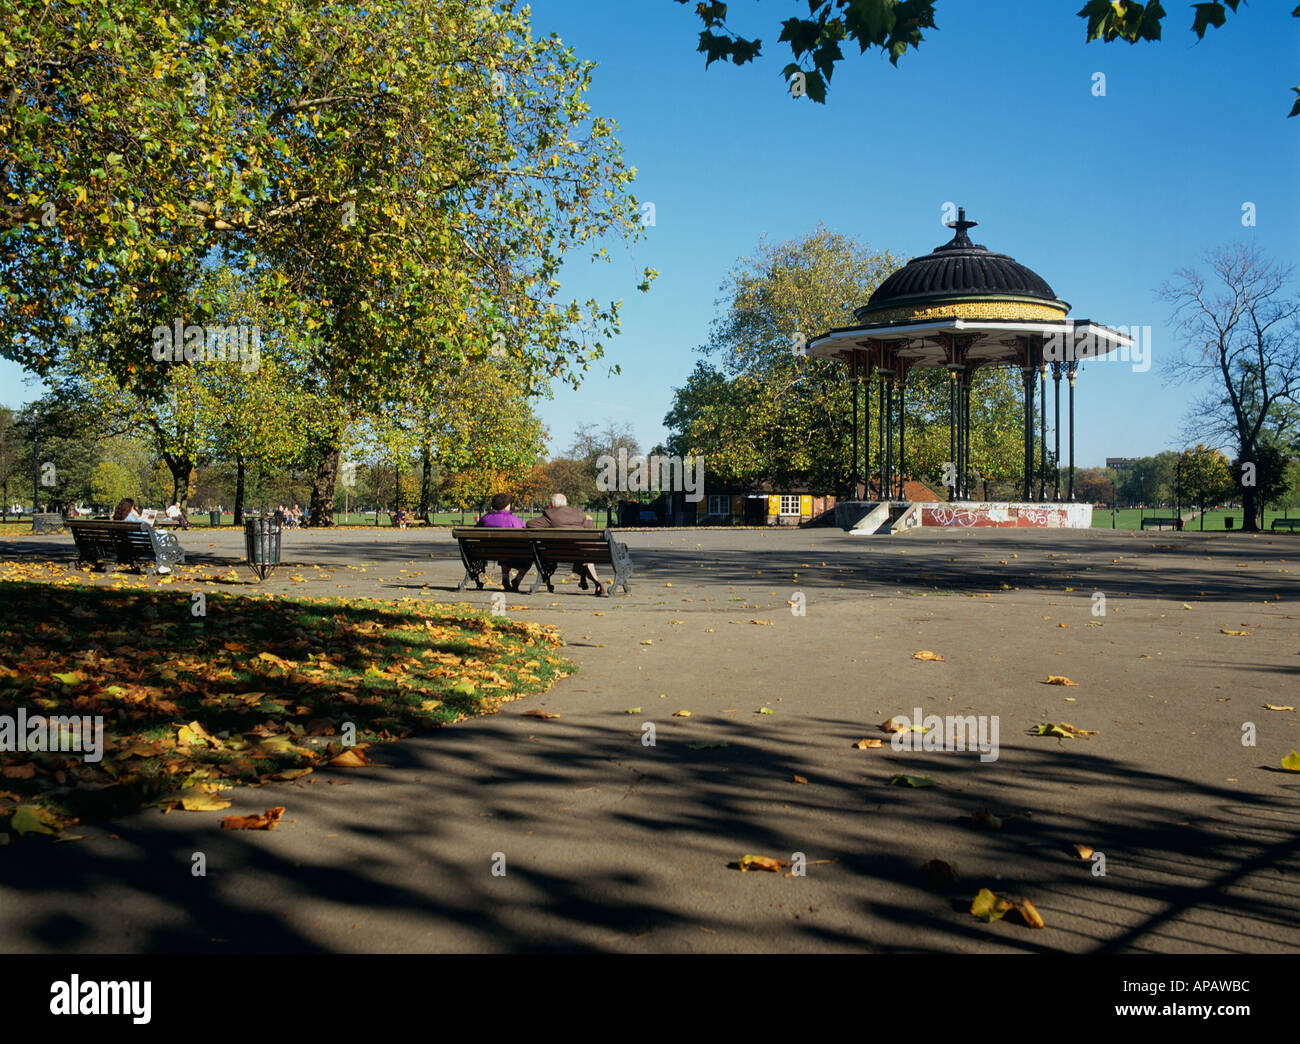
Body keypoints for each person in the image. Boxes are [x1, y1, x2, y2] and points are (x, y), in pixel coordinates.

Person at [527, 493, 605, 596]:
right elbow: (590, 530)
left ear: (553, 504)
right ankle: (596, 582)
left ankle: (589, 581)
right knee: (585, 556)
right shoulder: (578, 513)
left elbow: (530, 524)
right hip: (580, 552)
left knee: (582, 555)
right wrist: (589, 521)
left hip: (556, 553)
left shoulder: (551, 515)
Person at [477, 492, 530, 590]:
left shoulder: (484, 519)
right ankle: (517, 579)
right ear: (506, 506)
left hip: (487, 552)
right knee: (529, 557)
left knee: (504, 553)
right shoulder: (514, 520)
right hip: (511, 552)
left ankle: (505, 578)